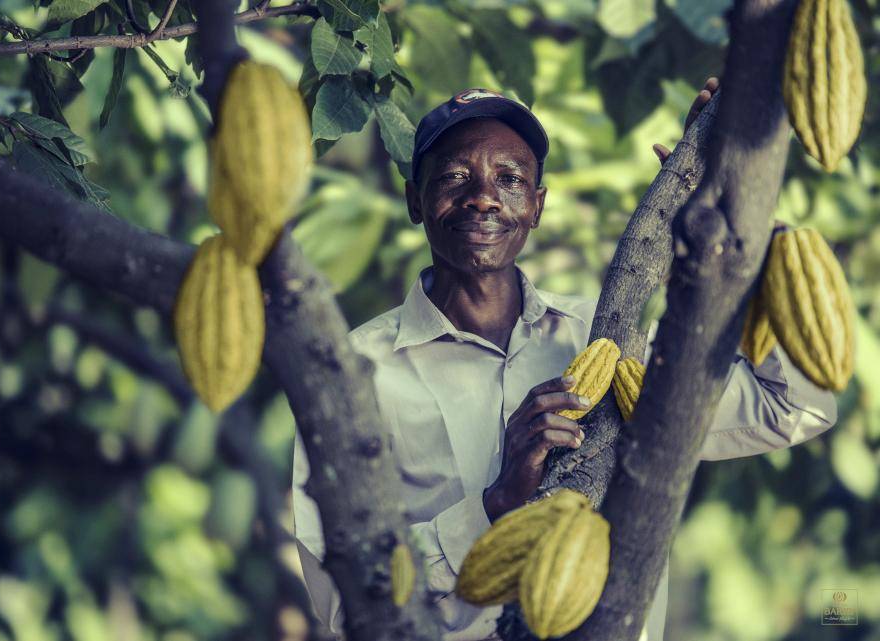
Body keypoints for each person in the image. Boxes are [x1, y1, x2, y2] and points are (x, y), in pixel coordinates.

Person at [291, 81, 838, 641]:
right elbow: (341, 599)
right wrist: (494, 504)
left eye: (510, 179)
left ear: (536, 206)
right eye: (455, 176)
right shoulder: (352, 372)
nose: (483, 197)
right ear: (415, 199)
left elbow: (796, 405)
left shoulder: (606, 341)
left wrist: (743, 233)